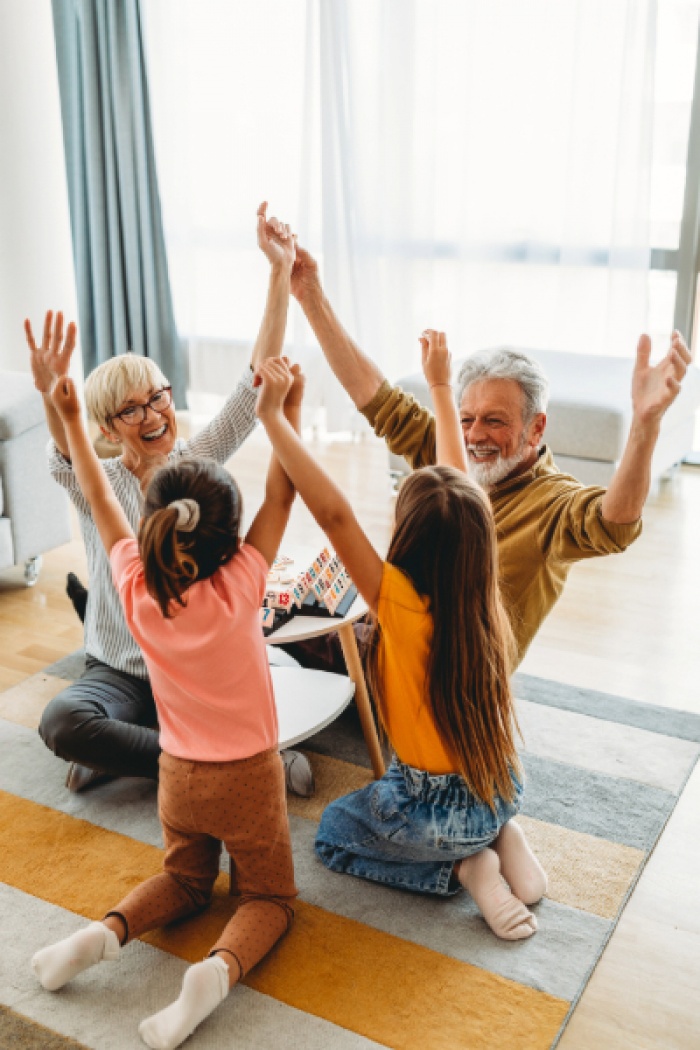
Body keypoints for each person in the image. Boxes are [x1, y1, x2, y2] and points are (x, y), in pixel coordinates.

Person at [30, 358, 303, 1048]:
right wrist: (286, 412)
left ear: (150, 525)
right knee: (268, 897)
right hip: (245, 774)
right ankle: (213, 974)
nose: (153, 412)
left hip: (177, 776)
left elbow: (97, 495)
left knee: (184, 881)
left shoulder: (133, 588)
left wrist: (62, 412)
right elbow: (284, 490)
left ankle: (101, 933)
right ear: (228, 535)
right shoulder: (244, 580)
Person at [255, 333, 547, 941]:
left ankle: (466, 868)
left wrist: (273, 420)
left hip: (435, 812)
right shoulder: (482, 579)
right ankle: (502, 829)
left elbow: (332, 512)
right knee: (402, 793)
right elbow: (456, 480)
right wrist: (440, 386)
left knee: (333, 835)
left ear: (407, 533)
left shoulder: (398, 601)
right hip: (499, 782)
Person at [24, 203, 313, 797]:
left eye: (157, 397)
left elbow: (256, 380)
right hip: (122, 670)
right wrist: (54, 398)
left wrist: (278, 272)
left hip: (202, 662)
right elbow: (66, 446)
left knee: (276, 678)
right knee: (63, 722)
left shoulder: (198, 459)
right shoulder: (95, 482)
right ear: (107, 428)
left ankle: (141, 752)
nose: (152, 414)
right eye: (132, 408)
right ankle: (207, 756)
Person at [286, 245, 691, 668]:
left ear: (537, 427)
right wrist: (311, 296)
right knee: (292, 604)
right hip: (398, 624)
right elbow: (373, 395)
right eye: (466, 419)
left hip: (446, 674)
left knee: (270, 632)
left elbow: (614, 525)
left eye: (495, 421)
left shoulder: (551, 503)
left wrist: (646, 424)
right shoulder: (450, 446)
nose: (475, 435)